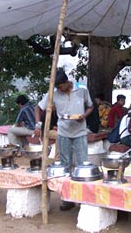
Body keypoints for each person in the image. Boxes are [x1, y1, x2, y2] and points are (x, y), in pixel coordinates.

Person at [39, 68, 94, 210]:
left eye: (60, 86)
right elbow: (38, 107)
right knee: (65, 166)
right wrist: (38, 125)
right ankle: (67, 199)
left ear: (66, 82)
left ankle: (84, 199)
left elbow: (90, 106)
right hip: (63, 132)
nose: (59, 89)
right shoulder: (54, 93)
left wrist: (84, 116)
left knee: (83, 165)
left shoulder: (82, 90)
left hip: (80, 132)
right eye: (57, 87)